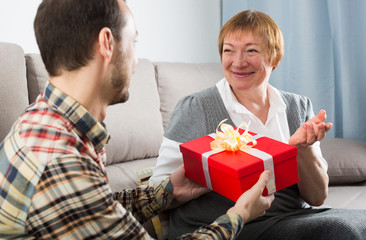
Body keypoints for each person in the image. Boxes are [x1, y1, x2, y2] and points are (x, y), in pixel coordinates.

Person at [0, 1, 275, 239]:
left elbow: (97, 206)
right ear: (107, 43)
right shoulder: (60, 162)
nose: (136, 61)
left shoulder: (43, 121)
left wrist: (167, 192)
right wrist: (238, 215)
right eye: (134, 41)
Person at [150, 10, 366, 240]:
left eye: (251, 50)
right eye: (229, 50)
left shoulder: (298, 107)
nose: (238, 62)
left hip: (291, 219)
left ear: (275, 58)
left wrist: (301, 151)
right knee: (340, 231)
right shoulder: (196, 107)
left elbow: (317, 197)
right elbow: (158, 193)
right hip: (224, 227)